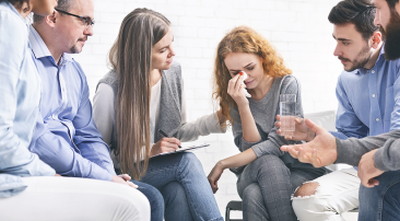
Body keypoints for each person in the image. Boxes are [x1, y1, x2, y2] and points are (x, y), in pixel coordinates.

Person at [0, 0, 150, 220]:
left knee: (144, 196)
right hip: (21, 175)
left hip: (36, 171)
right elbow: (25, 135)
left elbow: (88, 135)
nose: (90, 32)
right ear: (52, 18)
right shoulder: (8, 24)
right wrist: (50, 174)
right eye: (84, 21)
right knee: (134, 204)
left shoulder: (17, 27)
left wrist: (106, 174)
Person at [92, 8, 225, 221]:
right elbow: (96, 153)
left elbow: (178, 131)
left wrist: (217, 119)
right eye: (163, 49)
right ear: (141, 53)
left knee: (177, 193)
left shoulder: (172, 73)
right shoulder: (110, 89)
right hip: (122, 172)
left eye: (172, 43)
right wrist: (149, 150)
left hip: (157, 169)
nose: (172, 52)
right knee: (186, 162)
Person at [277, 0, 400, 220]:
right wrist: (311, 134)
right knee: (307, 199)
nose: (336, 51)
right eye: (335, 40)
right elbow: (351, 138)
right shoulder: (346, 81)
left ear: (375, 39)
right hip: (364, 164)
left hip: (391, 161)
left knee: (376, 186)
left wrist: (374, 159)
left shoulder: (397, 62)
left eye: (345, 42)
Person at [206, 26, 328, 221]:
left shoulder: (287, 85)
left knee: (253, 194)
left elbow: (281, 143)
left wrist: (223, 163)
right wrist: (243, 105)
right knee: (267, 163)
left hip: (297, 169)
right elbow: (251, 149)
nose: (244, 77)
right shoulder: (235, 97)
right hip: (254, 171)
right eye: (235, 72)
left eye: (250, 68)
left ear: (262, 58)